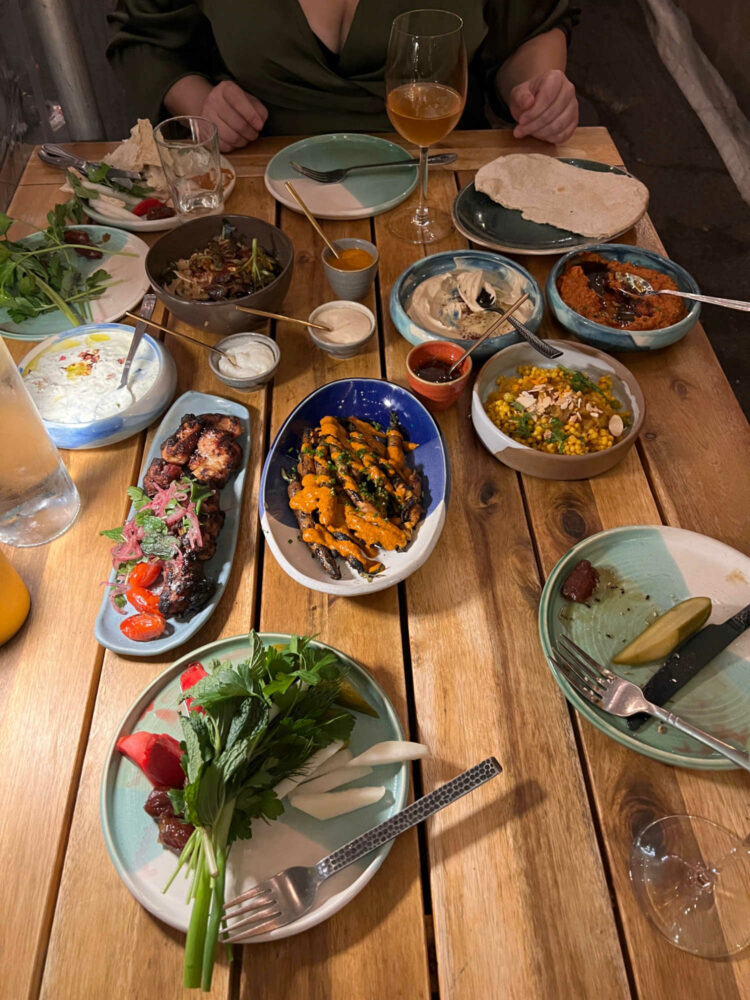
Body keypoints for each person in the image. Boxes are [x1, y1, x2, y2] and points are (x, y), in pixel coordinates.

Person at [107, 1, 580, 152]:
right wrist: (202, 103)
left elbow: (529, 26)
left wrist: (537, 89)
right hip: (256, 186)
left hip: (438, 182)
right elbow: (143, 36)